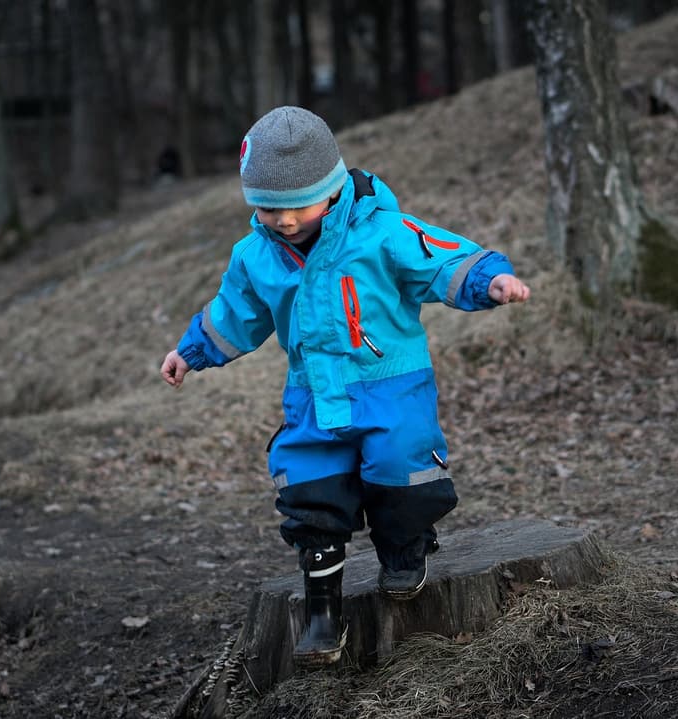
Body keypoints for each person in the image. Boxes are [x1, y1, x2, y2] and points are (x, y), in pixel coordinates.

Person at [158, 106, 530, 666]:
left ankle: (405, 548)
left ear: (331, 190)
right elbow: (235, 312)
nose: (283, 221)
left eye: (297, 206)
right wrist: (191, 352)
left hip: (391, 385)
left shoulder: (382, 232)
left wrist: (489, 279)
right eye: (267, 208)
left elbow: (440, 259)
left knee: (403, 471)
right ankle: (322, 612)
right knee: (309, 490)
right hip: (312, 394)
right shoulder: (255, 255)